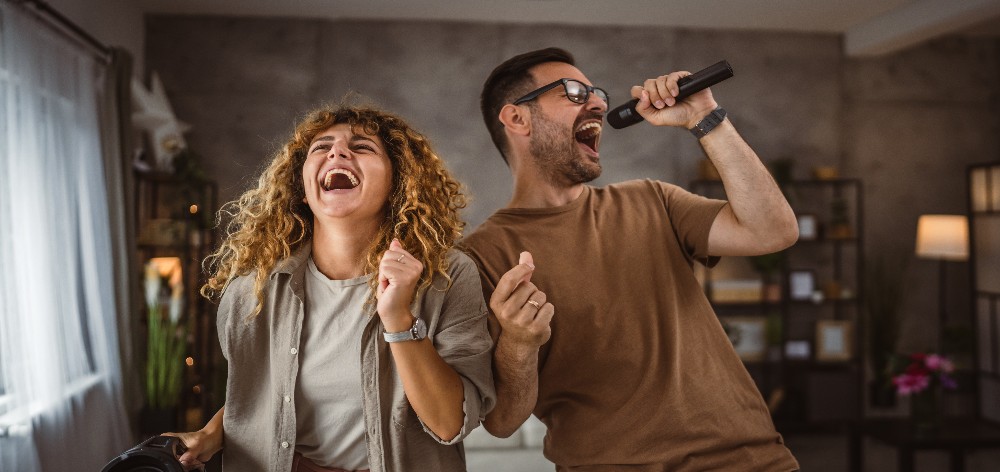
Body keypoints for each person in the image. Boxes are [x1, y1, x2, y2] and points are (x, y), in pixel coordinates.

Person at [462, 47, 801, 471]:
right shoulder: (479, 258)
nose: (599, 103)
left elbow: (774, 230)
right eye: (572, 92)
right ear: (517, 118)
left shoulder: (652, 200)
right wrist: (517, 343)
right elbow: (502, 421)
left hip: (753, 461)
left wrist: (704, 117)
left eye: (596, 92)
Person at [166, 104, 495, 472]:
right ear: (303, 190)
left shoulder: (445, 276)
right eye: (321, 148)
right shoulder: (252, 291)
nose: (337, 152)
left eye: (362, 147)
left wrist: (399, 321)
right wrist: (211, 434)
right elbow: (262, 394)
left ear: (397, 182)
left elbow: (450, 424)